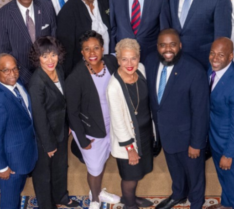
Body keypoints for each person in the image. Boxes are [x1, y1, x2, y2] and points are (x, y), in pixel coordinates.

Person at [144, 29, 210, 209]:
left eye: (172, 44)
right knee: (174, 168)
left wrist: (196, 143)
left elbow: (200, 111)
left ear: (180, 46)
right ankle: (179, 194)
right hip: (164, 132)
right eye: (163, 45)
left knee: (195, 174)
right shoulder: (149, 62)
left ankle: (196, 203)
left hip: (188, 136)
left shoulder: (194, 70)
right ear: (157, 46)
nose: (168, 49)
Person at [65, 31, 121, 209]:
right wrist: (82, 140)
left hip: (111, 127)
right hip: (91, 132)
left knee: (103, 160)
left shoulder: (111, 63)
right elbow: (72, 112)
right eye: (87, 49)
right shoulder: (76, 77)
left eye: (96, 48)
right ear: (81, 52)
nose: (92, 53)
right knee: (94, 169)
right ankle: (95, 200)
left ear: (103, 49)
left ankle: (97, 192)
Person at [28, 37, 80, 209]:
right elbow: (39, 116)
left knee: (60, 167)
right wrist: (49, 144)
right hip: (45, 136)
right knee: (44, 174)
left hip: (61, 129)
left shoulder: (59, 69)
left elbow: (65, 100)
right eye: (44, 56)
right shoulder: (37, 82)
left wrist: (69, 123)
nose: (50, 60)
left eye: (53, 54)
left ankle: (61, 197)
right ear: (38, 58)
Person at [0, 54, 38, 209]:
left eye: (15, 69)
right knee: (9, 201)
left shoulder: (16, 83)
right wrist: (1, 167)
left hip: (23, 152)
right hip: (11, 163)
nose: (13, 74)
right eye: (6, 71)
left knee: (17, 191)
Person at [106, 39, 154, 209]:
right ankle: (130, 204)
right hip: (128, 140)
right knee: (130, 177)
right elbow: (118, 121)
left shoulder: (141, 70)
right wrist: (130, 149)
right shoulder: (113, 87)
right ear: (118, 60)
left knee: (139, 172)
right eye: (124, 59)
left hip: (144, 132)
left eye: (133, 58)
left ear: (139, 57)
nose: (129, 63)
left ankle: (131, 198)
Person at [207, 38, 234, 209]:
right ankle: (226, 205)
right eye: (212, 53)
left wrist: (229, 154)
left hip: (231, 145)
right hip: (216, 137)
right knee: (224, 177)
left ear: (231, 56)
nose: (214, 58)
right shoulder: (213, 69)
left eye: (221, 55)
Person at [0, 0, 57, 85]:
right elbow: (2, 53)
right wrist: (25, 76)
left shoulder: (47, 7)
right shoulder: (1, 16)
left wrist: (47, 68)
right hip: (19, 75)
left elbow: (54, 40)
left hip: (47, 69)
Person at [56, 0, 110, 76]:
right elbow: (67, 53)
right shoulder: (68, 12)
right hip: (83, 72)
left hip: (106, 66)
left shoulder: (104, 0)